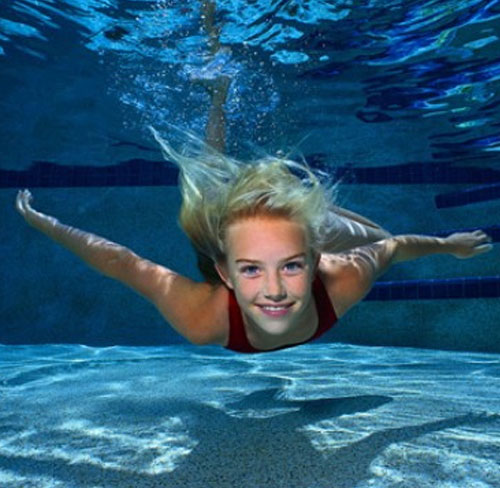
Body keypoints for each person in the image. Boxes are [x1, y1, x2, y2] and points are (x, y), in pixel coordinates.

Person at [15, 4, 493, 354]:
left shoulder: (342, 278)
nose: (275, 291)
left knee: (214, 177)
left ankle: (296, 201)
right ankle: (219, 95)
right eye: (249, 270)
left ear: (316, 260)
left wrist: (447, 245)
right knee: (212, 175)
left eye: (292, 267)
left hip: (291, 236)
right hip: (244, 236)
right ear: (225, 273)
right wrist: (44, 223)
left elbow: (393, 246)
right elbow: (123, 263)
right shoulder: (204, 317)